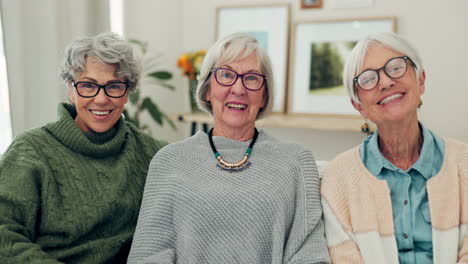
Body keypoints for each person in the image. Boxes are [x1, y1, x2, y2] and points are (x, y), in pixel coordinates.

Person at [127, 32, 330, 263]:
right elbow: (148, 255)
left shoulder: (296, 162)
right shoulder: (169, 160)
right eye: (226, 75)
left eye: (252, 78)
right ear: (207, 90)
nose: (238, 89)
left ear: (264, 95)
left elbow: (310, 255)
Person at [0, 32, 166, 263]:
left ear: (127, 92)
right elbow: (4, 234)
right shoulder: (30, 151)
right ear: (70, 88)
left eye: (114, 86)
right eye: (88, 85)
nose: (100, 99)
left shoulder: (152, 154)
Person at [321, 32, 468, 263]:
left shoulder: (464, 165)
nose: (386, 82)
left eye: (396, 67)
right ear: (358, 106)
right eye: (368, 79)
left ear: (421, 80)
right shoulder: (337, 179)